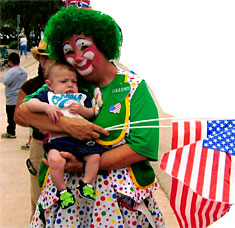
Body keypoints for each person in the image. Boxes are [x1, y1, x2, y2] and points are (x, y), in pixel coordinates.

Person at [18, 6, 166, 227]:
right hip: (66, 205)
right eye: (68, 51)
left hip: (118, 205)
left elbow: (143, 146)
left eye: (84, 46)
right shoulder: (66, 83)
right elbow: (22, 112)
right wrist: (69, 125)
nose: (76, 57)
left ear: (103, 43)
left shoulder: (133, 86)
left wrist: (82, 165)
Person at [26, 60, 103, 208]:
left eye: (73, 81)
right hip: (58, 142)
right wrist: (46, 108)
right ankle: (62, 191)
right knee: (55, 161)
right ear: (50, 85)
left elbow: (92, 113)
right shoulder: (48, 96)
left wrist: (83, 110)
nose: (70, 85)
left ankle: (86, 184)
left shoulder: (81, 97)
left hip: (80, 141)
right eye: (64, 81)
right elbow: (29, 104)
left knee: (94, 157)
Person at [14, 39, 49, 220]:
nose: (46, 61)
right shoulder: (31, 86)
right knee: (38, 197)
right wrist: (40, 124)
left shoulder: (71, 82)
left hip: (68, 147)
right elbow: (18, 116)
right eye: (43, 57)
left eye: (50, 57)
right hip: (40, 146)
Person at [1, 52, 27, 139]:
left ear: (10, 62)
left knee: (10, 115)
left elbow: (5, 81)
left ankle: (11, 131)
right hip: (20, 95)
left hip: (11, 96)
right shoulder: (24, 71)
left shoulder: (11, 71)